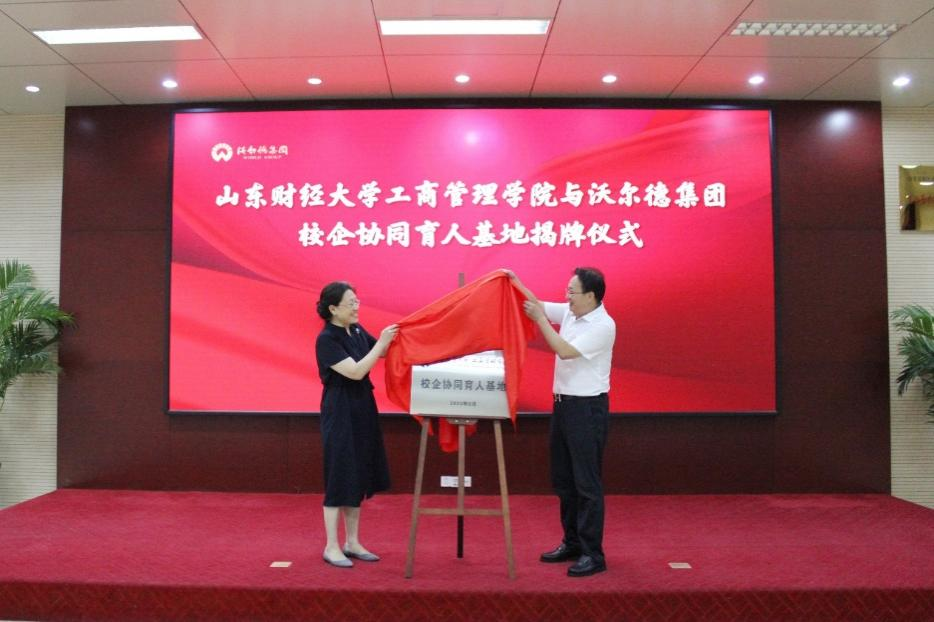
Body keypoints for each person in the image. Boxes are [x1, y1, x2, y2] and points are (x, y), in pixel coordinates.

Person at [506, 267, 616, 577]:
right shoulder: (572, 312)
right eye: (567, 291)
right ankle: (572, 542)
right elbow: (536, 305)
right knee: (564, 481)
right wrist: (514, 280)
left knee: (586, 484)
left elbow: (565, 351)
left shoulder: (603, 325)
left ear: (590, 296)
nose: (567, 297)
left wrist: (541, 322)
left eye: (572, 292)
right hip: (564, 407)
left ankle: (593, 554)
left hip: (587, 409)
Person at [315, 281, 398, 568]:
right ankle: (331, 546)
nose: (356, 307)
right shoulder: (327, 339)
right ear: (333, 309)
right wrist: (383, 343)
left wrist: (398, 336)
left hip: (362, 406)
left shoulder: (357, 330)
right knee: (339, 475)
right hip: (340, 409)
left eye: (356, 301)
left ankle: (352, 542)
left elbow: (382, 351)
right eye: (350, 303)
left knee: (358, 473)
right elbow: (356, 371)